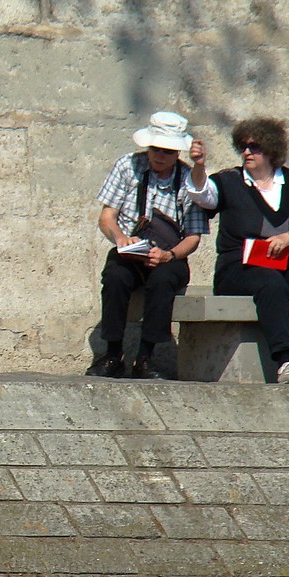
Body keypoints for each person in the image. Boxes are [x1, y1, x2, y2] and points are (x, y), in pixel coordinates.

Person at [185, 118, 289, 384]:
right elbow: (203, 194)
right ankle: (284, 361)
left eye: (255, 147)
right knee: (272, 285)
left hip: (287, 258)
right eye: (243, 147)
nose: (247, 152)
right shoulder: (228, 181)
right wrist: (199, 166)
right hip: (239, 265)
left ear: (271, 149)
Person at [87, 111, 209, 379]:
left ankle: (145, 357)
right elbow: (107, 217)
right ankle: (112, 354)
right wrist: (121, 238)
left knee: (164, 280)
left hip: (169, 254)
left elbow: (193, 237)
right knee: (115, 276)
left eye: (167, 151)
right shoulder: (127, 166)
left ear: (177, 153)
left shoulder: (188, 180)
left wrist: (169, 255)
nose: (159, 156)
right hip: (131, 251)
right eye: (155, 149)